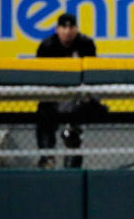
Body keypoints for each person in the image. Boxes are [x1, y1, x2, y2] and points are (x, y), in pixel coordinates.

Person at [35, 13, 103, 169]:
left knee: (74, 127)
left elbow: (91, 76)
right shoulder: (47, 46)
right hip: (53, 96)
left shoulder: (86, 44)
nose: (67, 31)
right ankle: (47, 158)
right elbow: (40, 78)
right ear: (57, 29)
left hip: (77, 97)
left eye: (71, 27)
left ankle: (72, 163)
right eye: (63, 27)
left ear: (76, 29)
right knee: (44, 115)